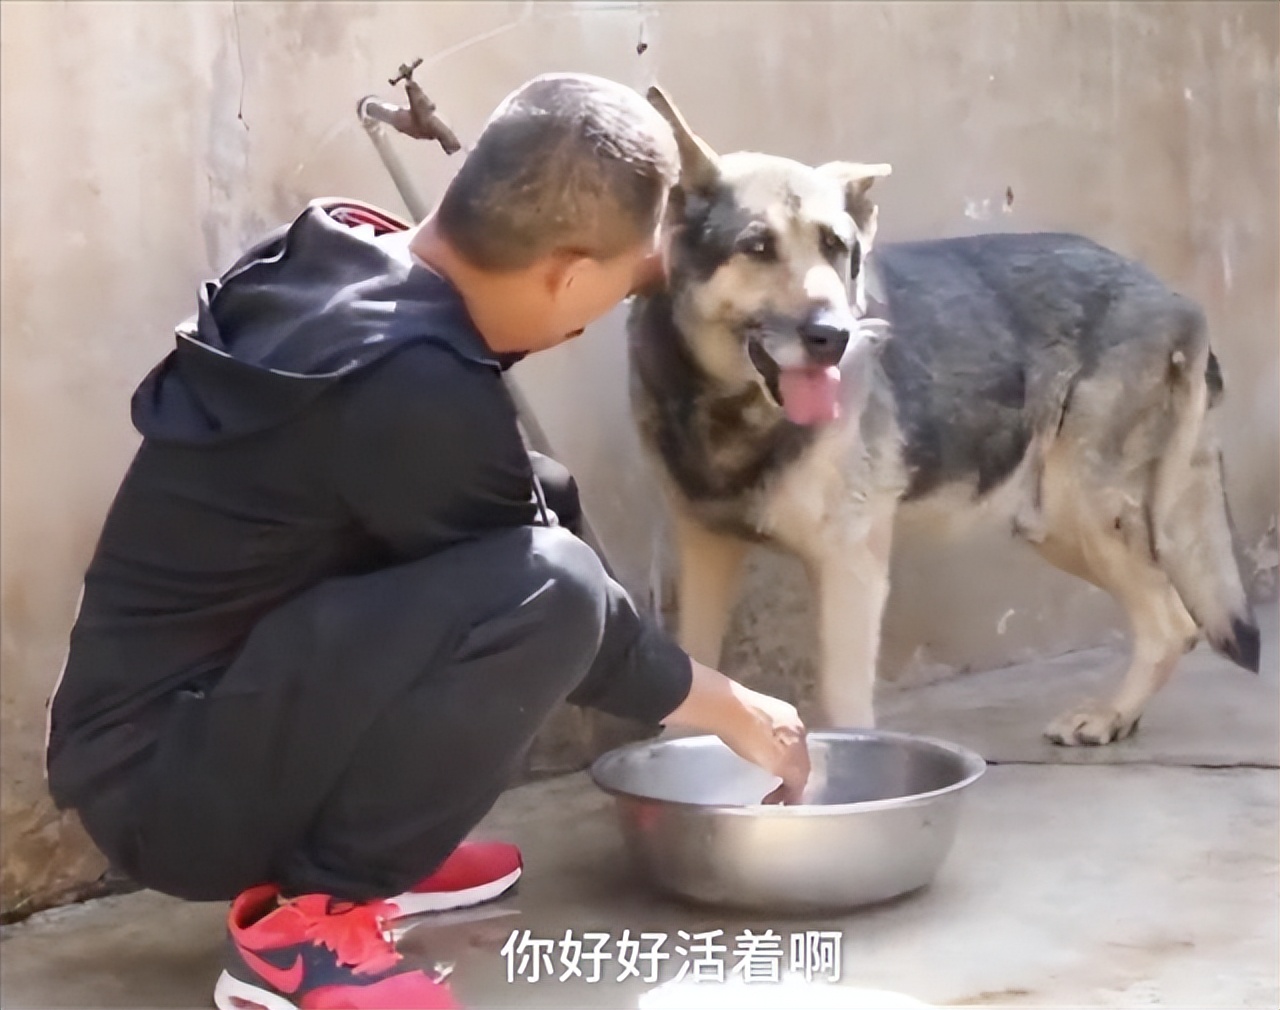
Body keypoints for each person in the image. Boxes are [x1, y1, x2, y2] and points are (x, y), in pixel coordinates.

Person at [44, 73, 810, 1010]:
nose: (591, 316)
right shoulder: (410, 383)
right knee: (550, 590)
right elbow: (566, 611)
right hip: (172, 794)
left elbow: (507, 521)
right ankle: (308, 928)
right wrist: (733, 708)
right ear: (568, 274)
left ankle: (369, 846)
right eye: (610, 290)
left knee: (541, 506)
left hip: (174, 729)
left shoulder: (350, 256)